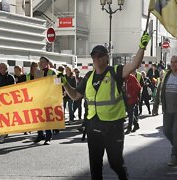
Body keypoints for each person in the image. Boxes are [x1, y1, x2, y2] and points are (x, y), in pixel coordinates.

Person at [58, 33, 150, 180]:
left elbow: (134, 64)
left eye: (99, 56)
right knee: (95, 167)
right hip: (93, 126)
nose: (96, 59)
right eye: (94, 56)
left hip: (113, 127)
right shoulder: (88, 77)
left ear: (106, 57)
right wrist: (64, 83)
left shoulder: (115, 72)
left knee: (115, 163)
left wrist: (142, 47)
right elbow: (75, 96)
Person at [33, 56, 56, 145]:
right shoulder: (38, 72)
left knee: (47, 118)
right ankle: (40, 135)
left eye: (43, 62)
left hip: (49, 98)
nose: (41, 64)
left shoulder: (52, 72)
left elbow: (57, 83)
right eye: (40, 62)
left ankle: (48, 137)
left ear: (47, 63)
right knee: (38, 117)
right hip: (39, 98)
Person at [0, 63, 16, 143]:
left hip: (7, 101)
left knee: (5, 117)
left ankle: (3, 134)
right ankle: (4, 132)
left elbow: (13, 89)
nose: (0, 69)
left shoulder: (10, 77)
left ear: (6, 69)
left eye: (2, 67)